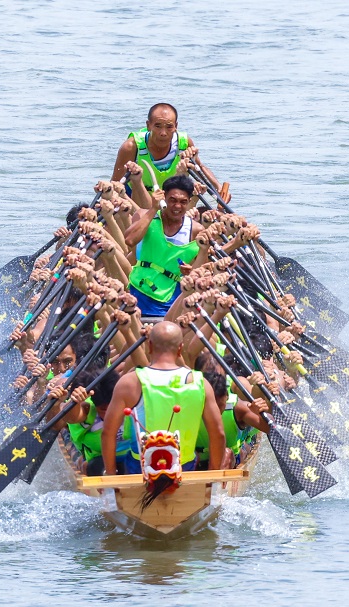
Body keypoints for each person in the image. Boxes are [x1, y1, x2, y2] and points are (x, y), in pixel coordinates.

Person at [100, 321, 226, 475]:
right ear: (180, 349)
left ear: (150, 346)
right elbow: (218, 434)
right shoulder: (200, 383)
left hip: (139, 470)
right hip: (184, 468)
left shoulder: (130, 382)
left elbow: (108, 433)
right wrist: (213, 474)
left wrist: (112, 476)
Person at [122, 175, 203, 318]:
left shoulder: (197, 230)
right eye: (172, 200)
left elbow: (203, 269)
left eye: (183, 202)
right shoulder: (145, 216)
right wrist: (154, 208)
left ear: (190, 202)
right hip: (138, 291)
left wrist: (191, 271)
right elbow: (129, 240)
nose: (177, 206)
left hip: (170, 298)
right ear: (163, 198)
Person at [110, 103, 220, 193]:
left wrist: (218, 187)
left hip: (169, 197)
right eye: (158, 126)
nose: (163, 133)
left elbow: (198, 167)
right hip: (137, 196)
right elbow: (116, 183)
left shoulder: (184, 143)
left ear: (176, 126)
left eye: (169, 127)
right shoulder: (131, 146)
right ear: (148, 125)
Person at [192, 352, 271, 470]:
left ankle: (215, 483)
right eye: (209, 405)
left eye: (219, 405)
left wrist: (263, 410)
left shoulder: (238, 407)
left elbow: (271, 428)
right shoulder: (190, 401)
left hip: (229, 460)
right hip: (197, 458)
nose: (214, 411)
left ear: (227, 396)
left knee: (226, 454)